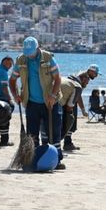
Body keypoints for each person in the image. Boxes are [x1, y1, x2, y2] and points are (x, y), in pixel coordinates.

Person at [9, 37, 64, 170]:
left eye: (31, 52)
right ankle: (32, 159)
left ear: (38, 48)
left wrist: (52, 95)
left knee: (53, 132)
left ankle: (56, 160)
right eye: (27, 52)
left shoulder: (48, 58)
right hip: (31, 103)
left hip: (50, 102)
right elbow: (12, 80)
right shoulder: (21, 60)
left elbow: (58, 78)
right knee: (32, 133)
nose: (29, 55)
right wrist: (15, 95)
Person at [60, 72, 89, 151]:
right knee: (68, 121)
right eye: (86, 82)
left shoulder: (68, 79)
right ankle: (65, 144)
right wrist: (70, 116)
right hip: (60, 103)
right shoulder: (77, 86)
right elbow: (71, 105)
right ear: (83, 78)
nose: (87, 85)